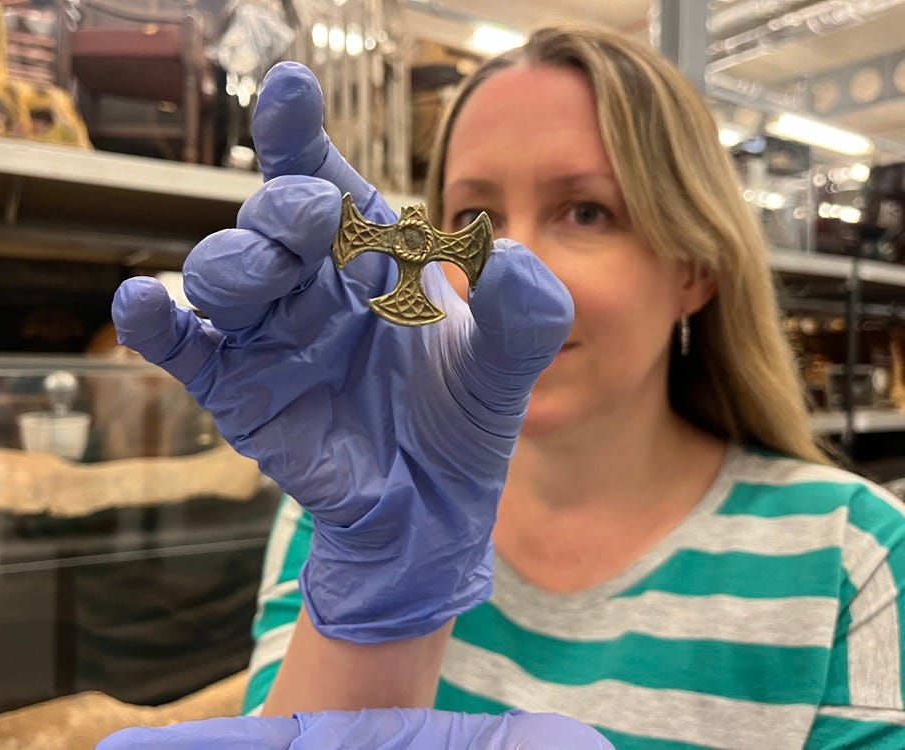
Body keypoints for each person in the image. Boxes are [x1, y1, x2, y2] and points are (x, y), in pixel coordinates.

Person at [99, 23, 905, 750]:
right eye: (475, 215)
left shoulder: (853, 561)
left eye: (586, 213)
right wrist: (385, 603)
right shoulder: (339, 507)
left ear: (694, 268)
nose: (507, 271)